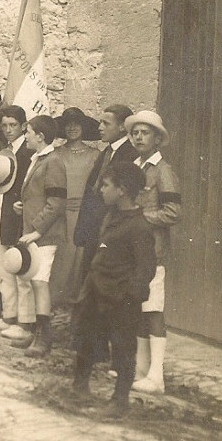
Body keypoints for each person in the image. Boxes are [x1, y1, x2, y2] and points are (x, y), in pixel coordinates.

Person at [70, 161, 156, 419]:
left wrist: (130, 296)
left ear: (122, 190)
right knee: (87, 338)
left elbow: (145, 268)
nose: (101, 190)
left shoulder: (140, 227)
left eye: (106, 185)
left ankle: (120, 400)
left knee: (122, 348)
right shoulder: (109, 216)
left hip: (120, 299)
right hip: (97, 290)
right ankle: (80, 386)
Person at [126, 110, 182, 395]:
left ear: (157, 139)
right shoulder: (136, 166)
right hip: (135, 250)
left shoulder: (163, 171)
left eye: (144, 132)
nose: (138, 136)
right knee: (139, 308)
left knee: (153, 310)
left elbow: (173, 212)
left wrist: (144, 217)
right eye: (135, 132)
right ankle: (140, 370)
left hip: (154, 251)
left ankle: (157, 376)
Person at [11, 114, 67, 357]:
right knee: (34, 281)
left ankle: (44, 339)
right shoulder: (38, 159)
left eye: (29, 132)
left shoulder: (53, 161)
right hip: (34, 232)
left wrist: (36, 231)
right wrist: (23, 207)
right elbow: (39, 196)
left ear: (41, 136)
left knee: (40, 283)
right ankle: (35, 333)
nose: (26, 136)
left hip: (45, 235)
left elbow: (56, 202)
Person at [0, 106, 35, 339]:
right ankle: (8, 315)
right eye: (5, 125)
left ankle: (23, 322)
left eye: (13, 125)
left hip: (15, 211)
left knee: (16, 263)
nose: (9, 130)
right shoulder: (4, 150)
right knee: (0, 265)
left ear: (23, 126)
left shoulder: (29, 151)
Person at [74, 104, 138, 277]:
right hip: (94, 229)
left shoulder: (130, 155)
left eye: (106, 123)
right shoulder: (106, 153)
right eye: (100, 123)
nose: (99, 128)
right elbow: (91, 191)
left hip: (110, 230)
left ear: (122, 127)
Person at [51, 107, 102, 309]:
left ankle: (74, 308)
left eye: (77, 124)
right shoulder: (56, 154)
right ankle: (52, 309)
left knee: (79, 260)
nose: (72, 128)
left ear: (84, 127)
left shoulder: (95, 155)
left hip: (83, 215)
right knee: (58, 261)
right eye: (68, 124)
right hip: (59, 214)